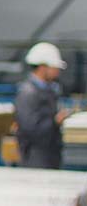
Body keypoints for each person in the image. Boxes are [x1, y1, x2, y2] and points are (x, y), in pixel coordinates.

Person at [15, 41, 70, 169]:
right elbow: (30, 128)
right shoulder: (28, 93)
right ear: (43, 67)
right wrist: (55, 121)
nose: (57, 71)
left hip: (49, 156)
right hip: (36, 159)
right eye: (55, 67)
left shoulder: (48, 90)